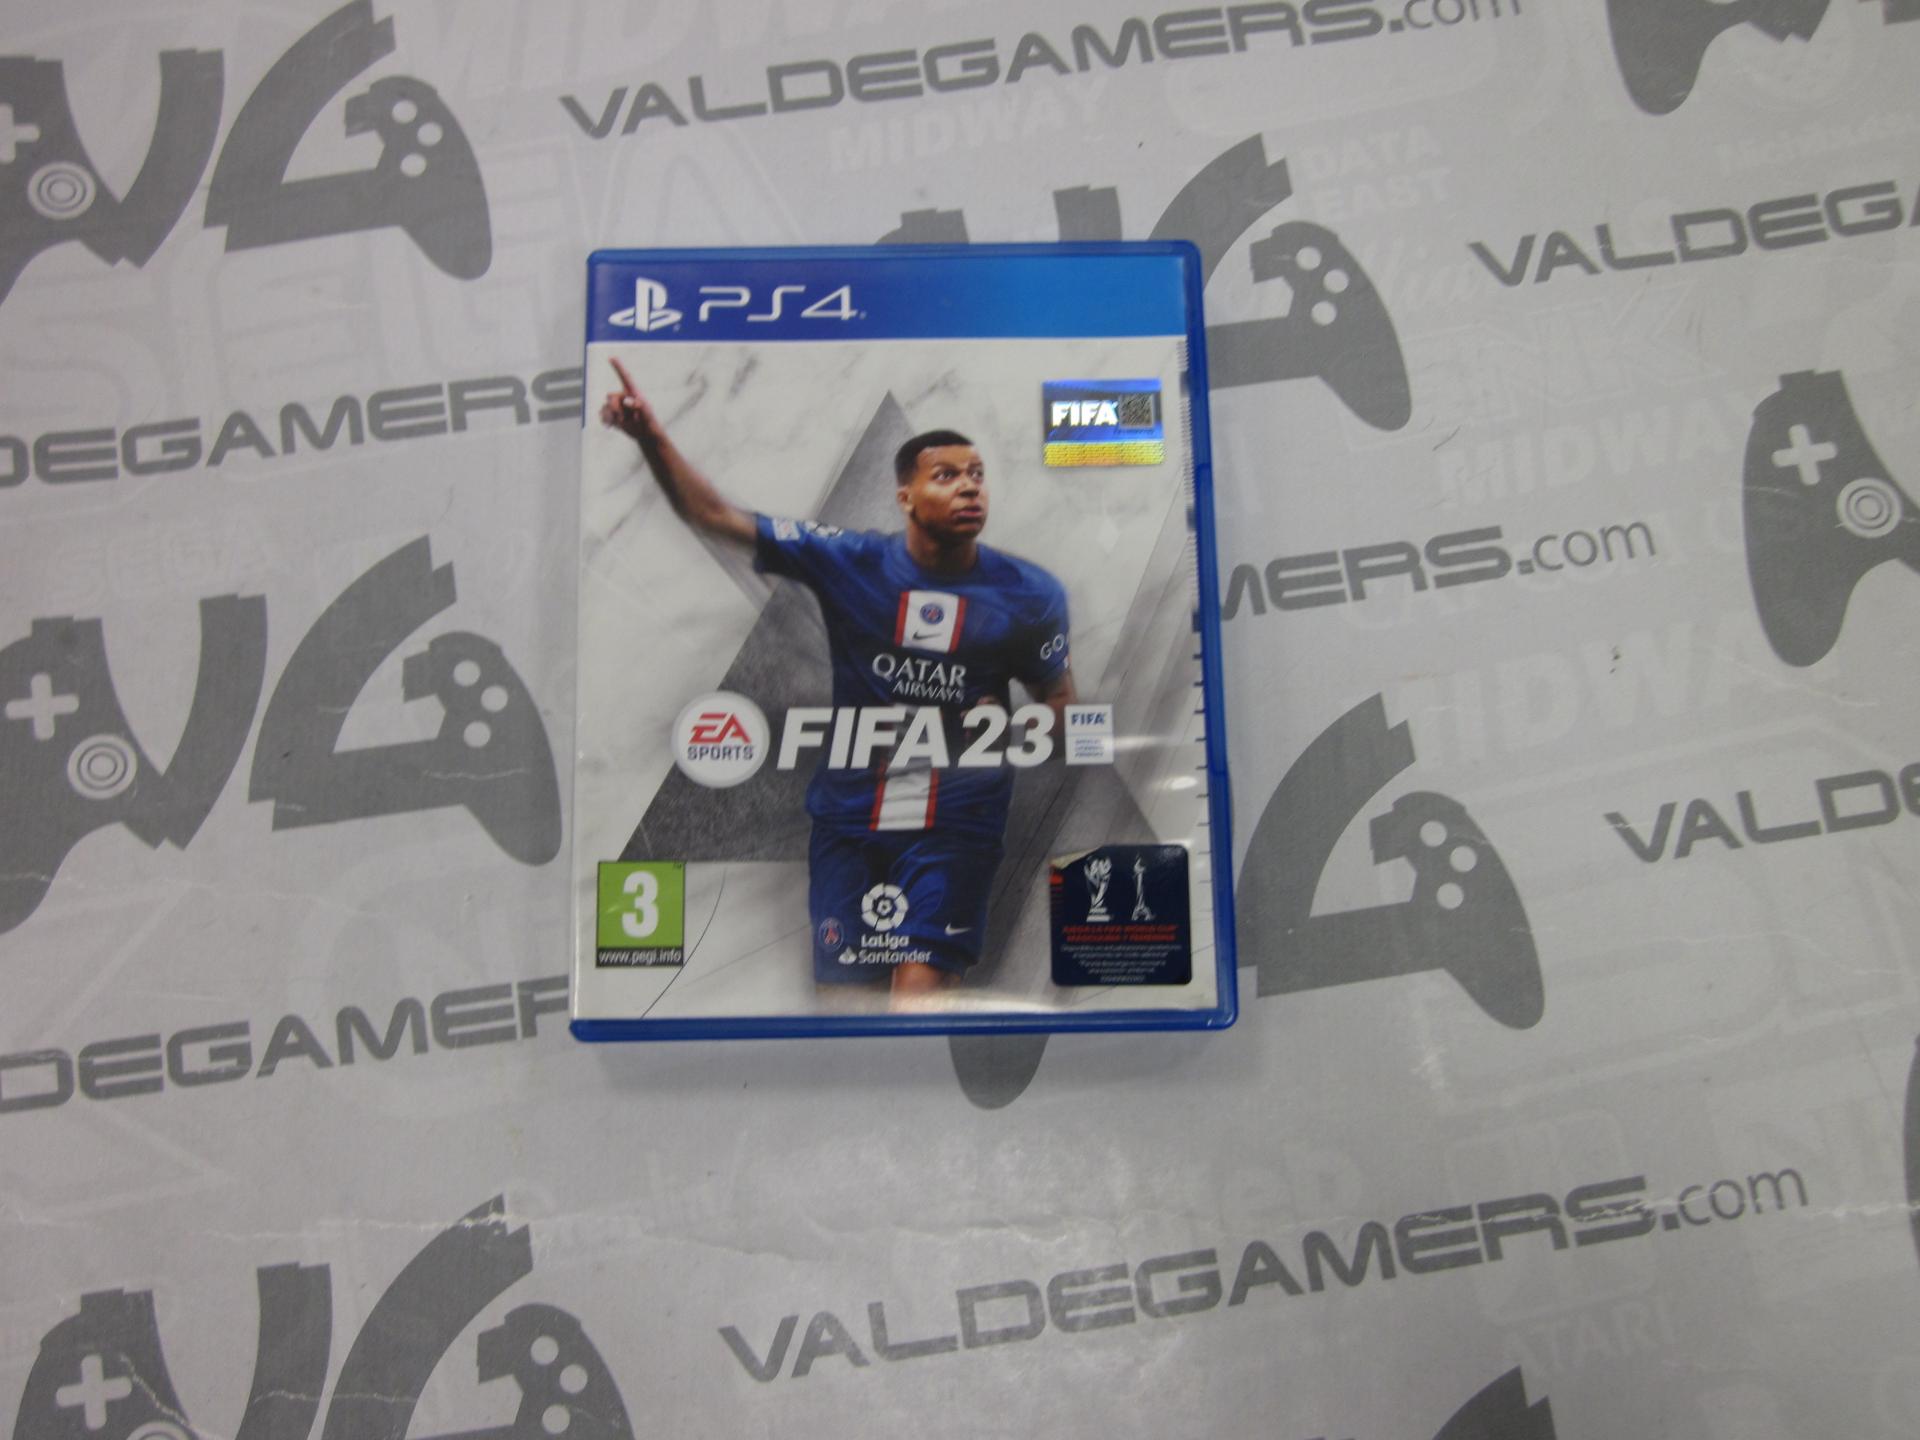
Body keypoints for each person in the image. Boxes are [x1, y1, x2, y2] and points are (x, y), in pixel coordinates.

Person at [600, 358, 1075, 1006]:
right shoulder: (848, 559)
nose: (970, 488)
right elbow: (713, 515)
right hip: (850, 823)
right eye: (947, 476)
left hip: (955, 829)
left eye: (977, 475)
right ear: (905, 497)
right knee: (846, 1013)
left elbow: (1060, 702)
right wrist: (651, 437)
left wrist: (1015, 730)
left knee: (915, 1006)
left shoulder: (1030, 593)